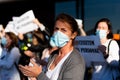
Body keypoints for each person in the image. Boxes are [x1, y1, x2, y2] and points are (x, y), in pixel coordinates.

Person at [19, 13, 85, 80]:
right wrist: (33, 77)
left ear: (73, 35)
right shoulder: (54, 55)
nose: (58, 33)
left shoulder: (75, 61)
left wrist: (39, 74)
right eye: (56, 29)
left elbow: (42, 77)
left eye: (63, 30)